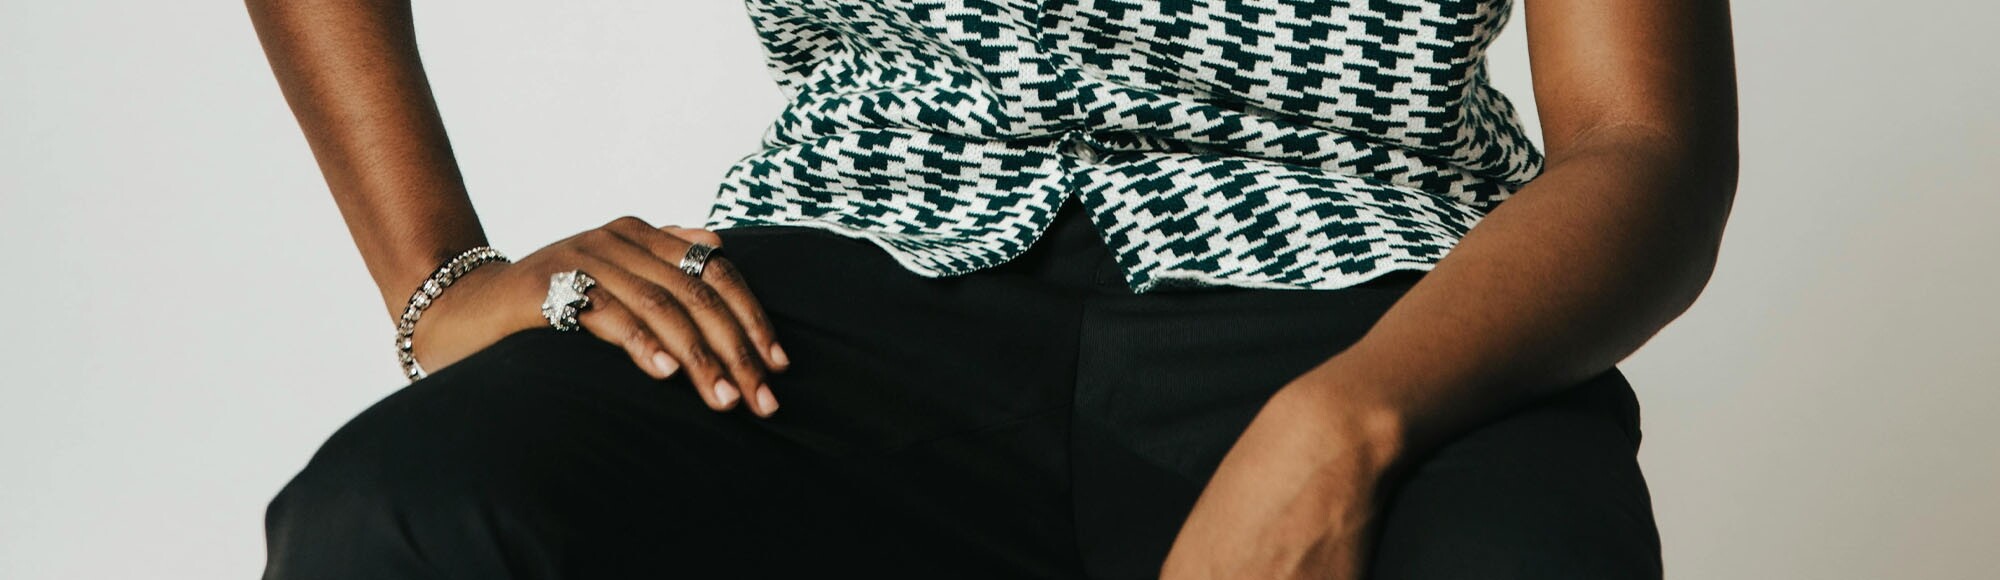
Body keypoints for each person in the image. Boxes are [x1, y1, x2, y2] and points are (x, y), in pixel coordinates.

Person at [246, 0, 1737, 578]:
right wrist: (439, 277)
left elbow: (1646, 145)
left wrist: (1338, 427)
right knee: (405, 521)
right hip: (852, 268)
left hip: (1381, 293)